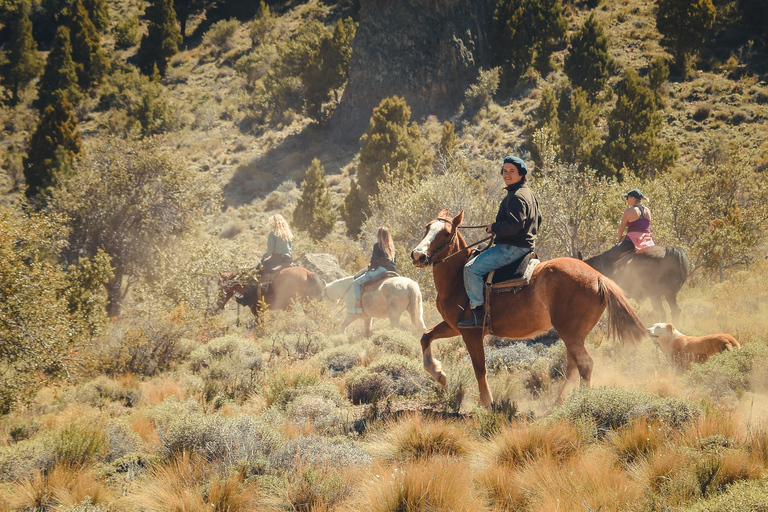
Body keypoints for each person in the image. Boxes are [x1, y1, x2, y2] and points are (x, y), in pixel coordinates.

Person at [457, 155, 542, 328]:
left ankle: (478, 314)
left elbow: (515, 225)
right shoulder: (528, 194)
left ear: (521, 174)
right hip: (525, 247)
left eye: (512, 171)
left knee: (471, 269)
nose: (507, 174)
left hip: (511, 248)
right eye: (505, 171)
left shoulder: (516, 196)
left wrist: (494, 227)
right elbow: (538, 219)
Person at [351, 227, 396, 314]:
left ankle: (359, 307)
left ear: (379, 235)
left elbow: (373, 263)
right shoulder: (392, 247)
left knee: (356, 283)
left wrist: (370, 267)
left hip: (380, 271)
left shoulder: (377, 246)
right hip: (391, 271)